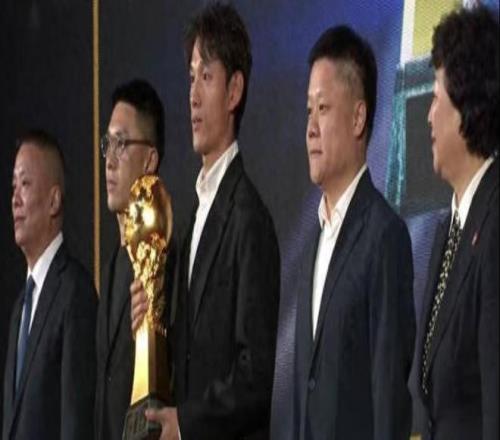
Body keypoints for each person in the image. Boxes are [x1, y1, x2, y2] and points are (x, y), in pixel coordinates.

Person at [130, 2, 280, 439]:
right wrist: (152, 322)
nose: (193, 95)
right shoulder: (193, 215)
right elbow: (191, 353)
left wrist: (188, 422)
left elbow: (255, 374)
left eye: (207, 77)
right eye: (191, 77)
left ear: (234, 92)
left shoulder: (249, 219)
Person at [291, 26, 415, 439]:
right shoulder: (313, 244)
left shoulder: (385, 237)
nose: (310, 128)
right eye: (308, 110)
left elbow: (388, 401)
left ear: (358, 117)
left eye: (323, 108)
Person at [413, 6, 498, 440]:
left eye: (435, 97)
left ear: (465, 105)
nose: (427, 115)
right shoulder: (449, 229)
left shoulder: (495, 225)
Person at [2, 130, 97, 440]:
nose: (15, 199)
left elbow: (75, 422)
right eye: (13, 186)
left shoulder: (75, 293)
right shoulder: (20, 307)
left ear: (54, 200)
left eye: (25, 184)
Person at [94, 79, 166, 440]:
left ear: (150, 159)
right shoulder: (110, 270)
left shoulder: (165, 261)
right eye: (107, 144)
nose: (109, 161)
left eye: (121, 144)